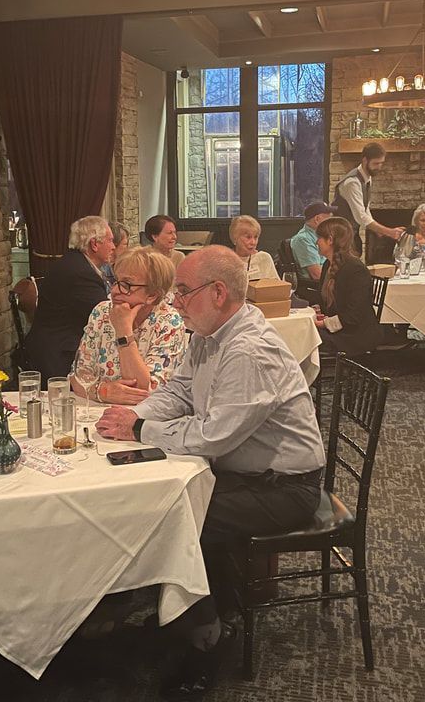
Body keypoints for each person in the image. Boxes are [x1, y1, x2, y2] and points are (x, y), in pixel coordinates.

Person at [96, 246, 325, 697]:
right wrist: (133, 417)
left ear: (218, 293)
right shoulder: (209, 333)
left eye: (183, 291)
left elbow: (213, 436)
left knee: (174, 517)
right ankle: (194, 614)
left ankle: (208, 638)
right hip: (244, 473)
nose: (175, 300)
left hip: (286, 487)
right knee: (169, 504)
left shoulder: (248, 350)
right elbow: (180, 392)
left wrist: (139, 429)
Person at [70, 247, 188, 405]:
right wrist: (103, 392)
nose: (114, 291)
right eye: (115, 281)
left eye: (126, 285)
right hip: (96, 409)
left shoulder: (169, 322)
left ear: (152, 295)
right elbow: (77, 377)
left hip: (143, 416)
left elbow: (144, 391)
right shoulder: (102, 312)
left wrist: (123, 331)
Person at [24, 215, 116, 381]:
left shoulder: (74, 262)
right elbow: (105, 317)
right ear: (94, 244)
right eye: (110, 241)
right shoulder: (81, 273)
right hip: (60, 354)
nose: (113, 247)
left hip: (53, 344)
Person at [316, 217, 384, 356]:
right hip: (341, 329)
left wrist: (325, 324)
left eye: (319, 238)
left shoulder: (355, 269)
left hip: (355, 335)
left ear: (330, 240)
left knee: (308, 338)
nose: (316, 242)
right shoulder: (328, 265)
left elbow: (354, 316)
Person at [331, 142, 404, 255]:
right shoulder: (352, 182)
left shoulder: (367, 178)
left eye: (381, 163)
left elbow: (365, 209)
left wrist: (377, 229)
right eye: (376, 163)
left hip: (352, 233)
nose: (379, 167)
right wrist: (389, 232)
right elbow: (361, 216)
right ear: (365, 160)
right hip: (340, 236)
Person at [289, 201, 338, 304]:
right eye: (328, 219)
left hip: (328, 281)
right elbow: (317, 274)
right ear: (317, 219)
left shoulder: (321, 237)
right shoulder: (303, 239)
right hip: (315, 287)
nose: (331, 223)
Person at [229, 214, 279, 281]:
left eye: (255, 237)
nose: (253, 242)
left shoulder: (264, 258)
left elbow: (277, 285)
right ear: (235, 238)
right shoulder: (226, 260)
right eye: (248, 237)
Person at [101, 221, 133, 288]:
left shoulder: (123, 265)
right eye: (125, 244)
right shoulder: (102, 269)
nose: (127, 249)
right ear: (114, 244)